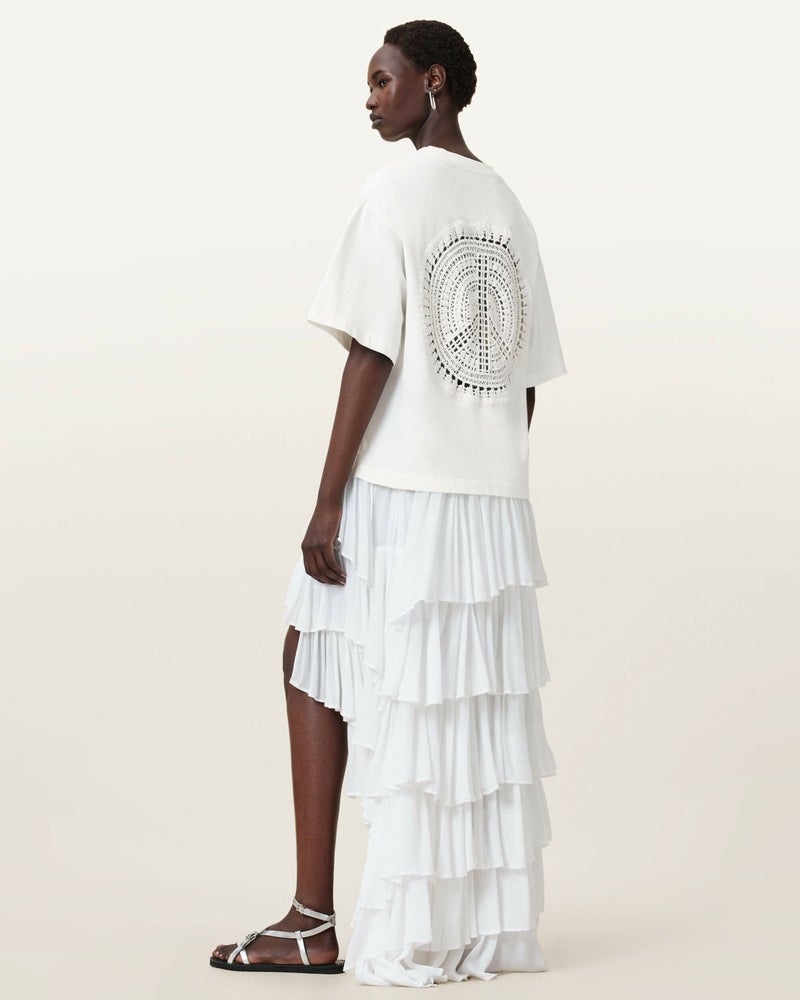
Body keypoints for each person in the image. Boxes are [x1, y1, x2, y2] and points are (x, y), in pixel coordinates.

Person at [210, 18, 567, 987]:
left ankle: (311, 920)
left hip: (403, 485)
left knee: (313, 656)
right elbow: (522, 381)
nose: (368, 98)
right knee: (451, 701)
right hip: (489, 500)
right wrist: (490, 476)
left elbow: (373, 348)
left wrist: (327, 502)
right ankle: (454, 925)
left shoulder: (395, 192)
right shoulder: (507, 203)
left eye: (382, 80)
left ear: (431, 80)